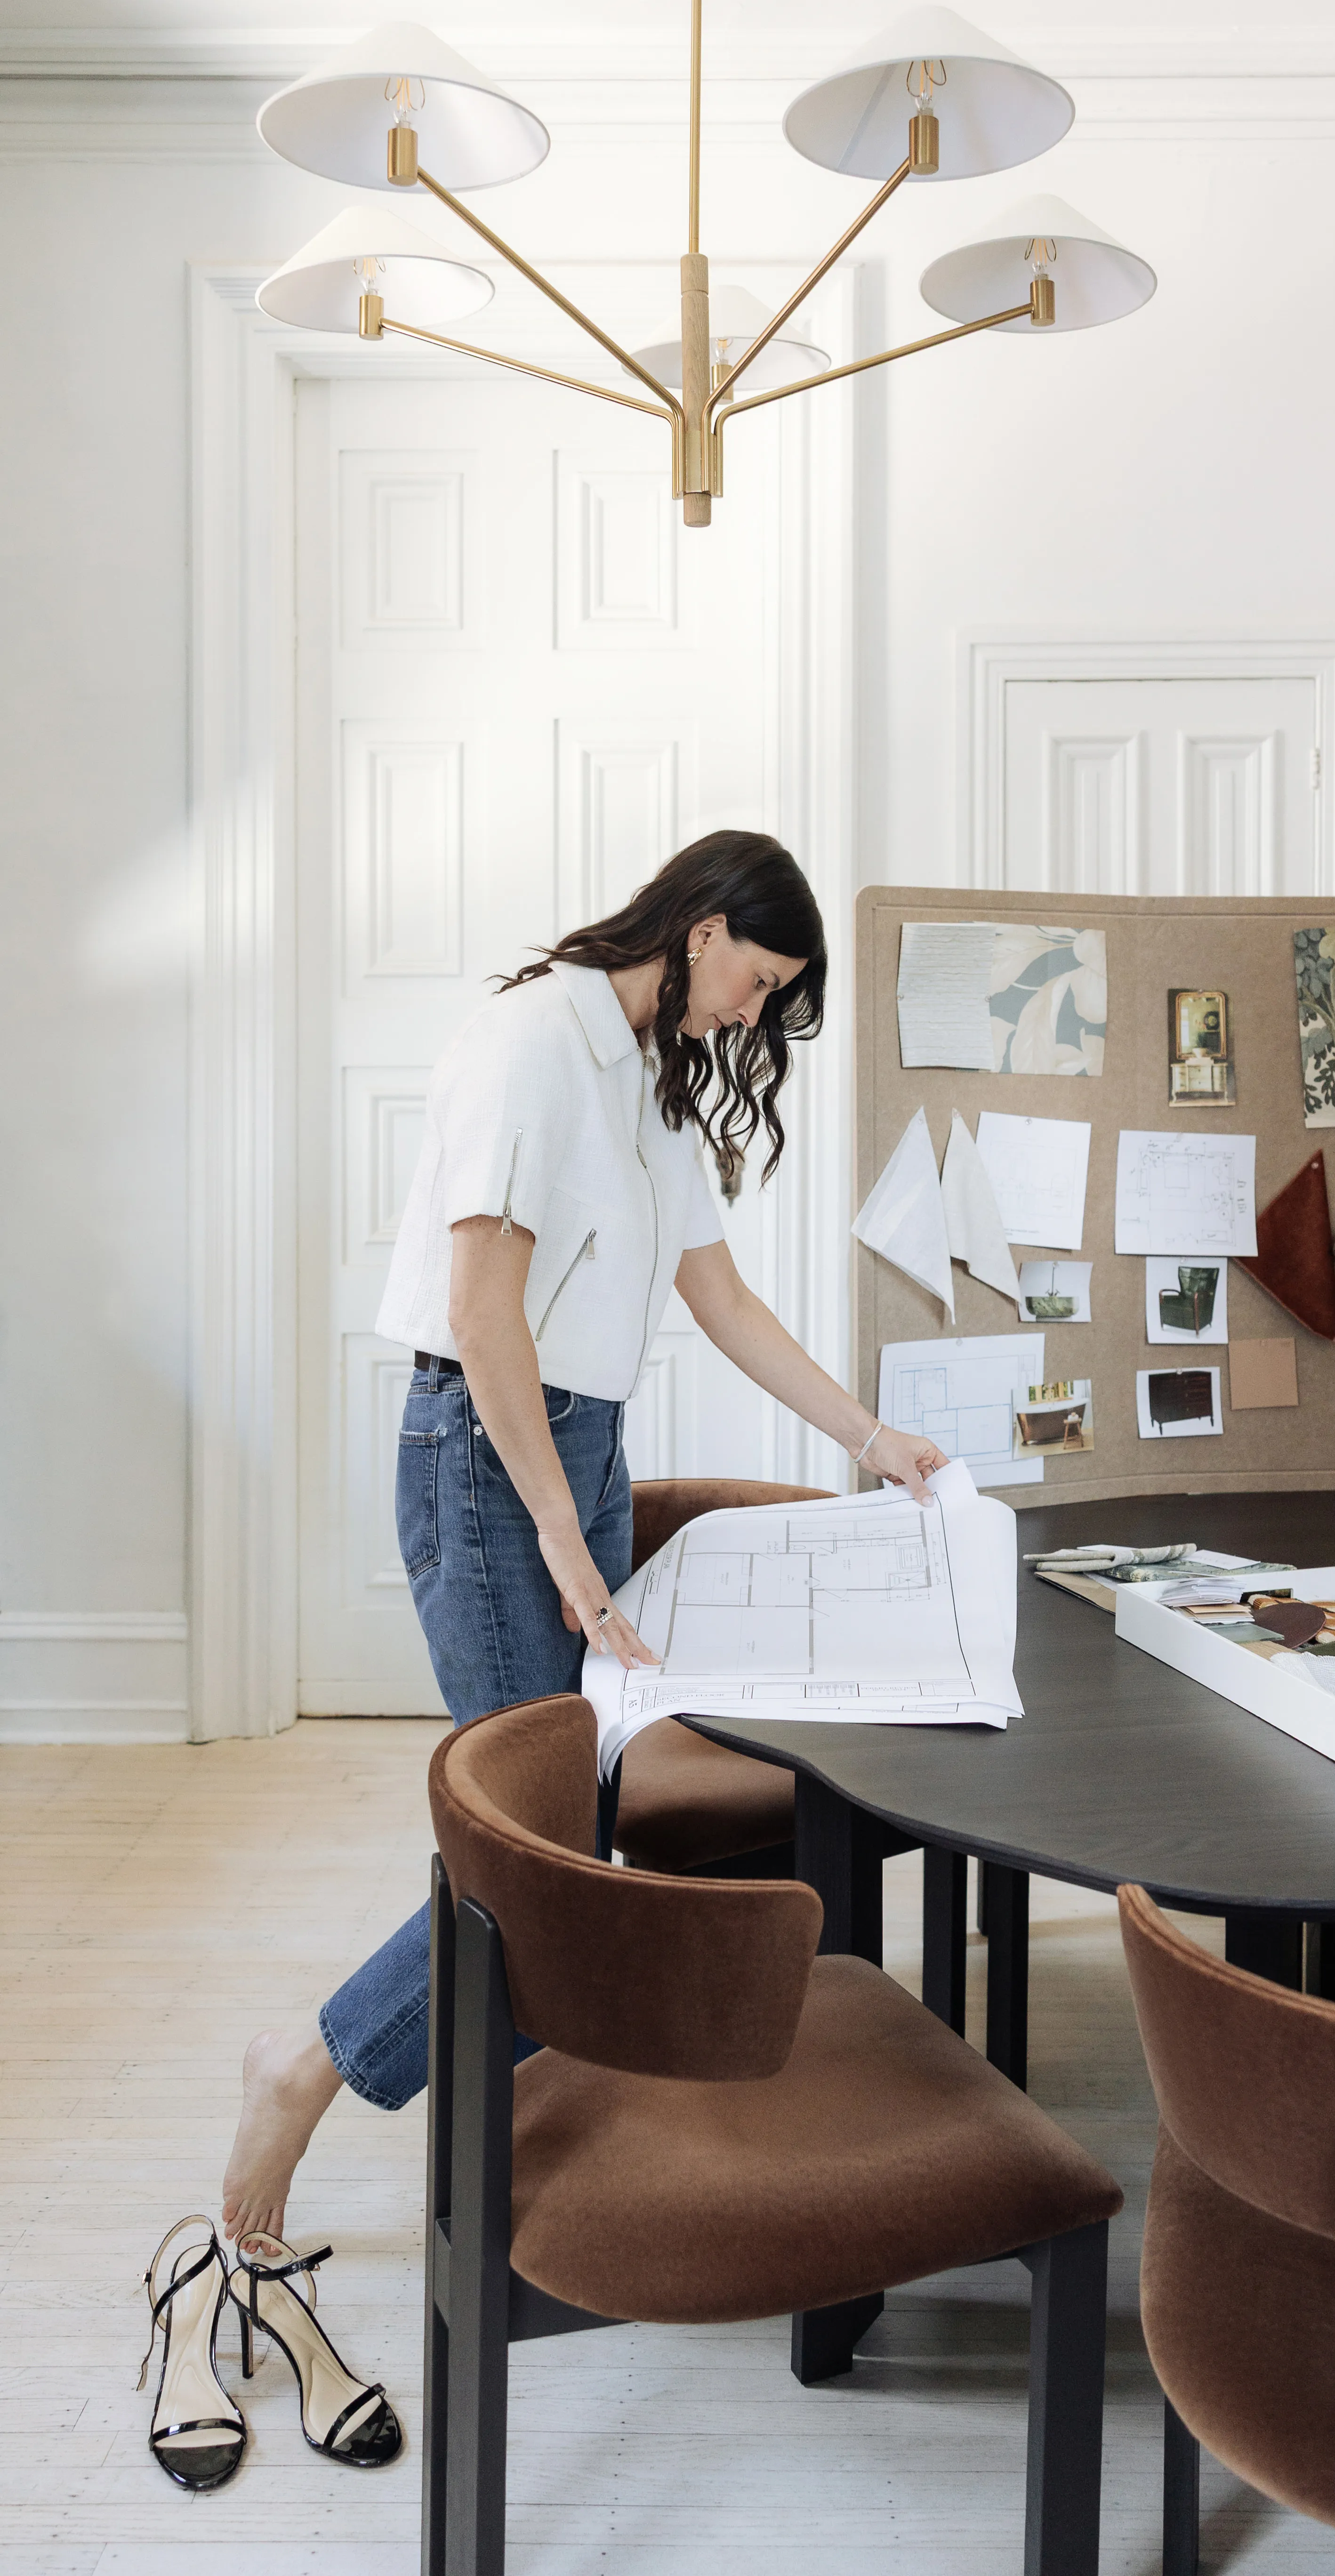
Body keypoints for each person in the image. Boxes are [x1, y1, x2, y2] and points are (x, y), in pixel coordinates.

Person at [222, 830, 947, 2245]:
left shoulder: (650, 1080)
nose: (752, 1013)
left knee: (573, 1819)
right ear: (702, 926)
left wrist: (873, 1441)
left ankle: (502, 2131)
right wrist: (559, 1534)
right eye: (757, 979)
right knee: (535, 1844)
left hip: (585, 1443)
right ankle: (306, 2070)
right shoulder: (533, 1047)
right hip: (494, 1452)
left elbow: (722, 1300)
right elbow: (482, 1311)